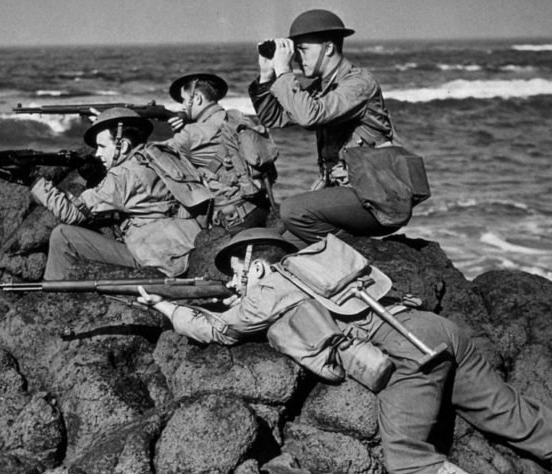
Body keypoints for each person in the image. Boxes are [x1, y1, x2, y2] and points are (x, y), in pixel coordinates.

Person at [136, 228, 552, 474]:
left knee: (404, 457)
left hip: (405, 353)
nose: (234, 280)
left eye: (236, 270)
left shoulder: (270, 286)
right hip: (431, 328)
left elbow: (220, 331)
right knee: (493, 405)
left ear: (254, 264)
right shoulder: (319, 266)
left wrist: (166, 306)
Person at [249, 9, 430, 248]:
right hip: (351, 194)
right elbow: (274, 117)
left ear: (330, 48)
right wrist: (266, 74)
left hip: (378, 197)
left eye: (303, 50)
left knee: (293, 209)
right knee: (281, 246)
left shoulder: (358, 84)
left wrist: (285, 72)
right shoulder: (322, 88)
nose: (298, 58)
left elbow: (308, 116)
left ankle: (360, 253)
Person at [28, 108, 202, 280]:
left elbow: (72, 213)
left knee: (62, 236)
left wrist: (34, 182)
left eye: (102, 146)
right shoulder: (161, 153)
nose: (97, 153)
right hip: (185, 244)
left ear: (124, 145)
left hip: (158, 261)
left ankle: (52, 292)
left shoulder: (122, 175)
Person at [163, 72, 271, 234]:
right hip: (261, 206)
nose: (183, 107)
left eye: (184, 100)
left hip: (234, 220)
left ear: (197, 98)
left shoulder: (190, 133)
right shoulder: (239, 117)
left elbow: (155, 157)